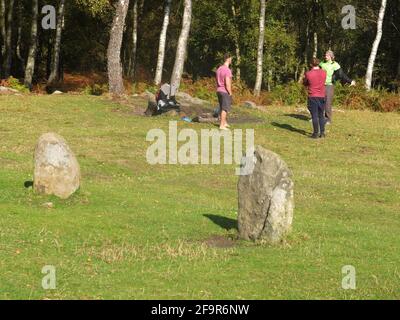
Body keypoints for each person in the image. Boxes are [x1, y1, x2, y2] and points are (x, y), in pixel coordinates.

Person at [320, 50, 355, 124]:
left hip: (329, 86)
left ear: (331, 56)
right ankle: (317, 117)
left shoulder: (335, 64)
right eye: (325, 55)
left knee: (327, 103)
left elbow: (342, 75)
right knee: (319, 102)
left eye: (326, 55)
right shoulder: (322, 63)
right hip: (320, 85)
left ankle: (328, 119)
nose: (325, 56)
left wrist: (350, 81)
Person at [304, 58, 327, 139]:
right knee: (321, 115)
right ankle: (323, 133)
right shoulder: (324, 72)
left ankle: (316, 133)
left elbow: (305, 83)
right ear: (319, 64)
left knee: (314, 115)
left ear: (311, 64)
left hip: (313, 96)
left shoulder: (308, 73)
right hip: (322, 95)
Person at [216, 54, 233, 130]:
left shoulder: (219, 69)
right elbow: (227, 83)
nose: (231, 60)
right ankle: (222, 125)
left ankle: (225, 122)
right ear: (228, 59)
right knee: (225, 109)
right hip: (224, 91)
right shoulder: (227, 70)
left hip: (218, 90)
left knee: (221, 107)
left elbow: (217, 80)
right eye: (231, 59)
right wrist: (230, 92)